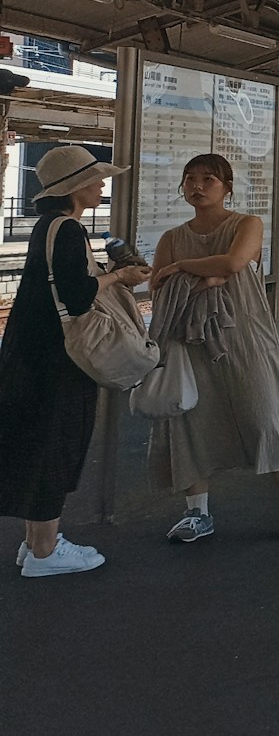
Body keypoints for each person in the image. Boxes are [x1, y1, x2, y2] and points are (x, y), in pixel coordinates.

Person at [148, 153, 279, 543]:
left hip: (246, 335)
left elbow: (235, 262)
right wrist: (204, 275)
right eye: (190, 179)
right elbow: (160, 287)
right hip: (188, 341)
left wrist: (183, 269)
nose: (197, 186)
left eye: (208, 179)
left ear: (227, 186)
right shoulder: (172, 237)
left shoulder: (248, 224)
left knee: (265, 410)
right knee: (189, 420)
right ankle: (197, 513)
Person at [2, 146, 149, 578]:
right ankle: (46, 552)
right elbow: (78, 295)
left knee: (36, 444)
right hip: (58, 359)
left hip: (31, 353)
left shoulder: (48, 226)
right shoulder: (67, 229)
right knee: (55, 446)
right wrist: (120, 276)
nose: (102, 184)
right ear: (76, 187)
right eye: (96, 179)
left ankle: (35, 544)